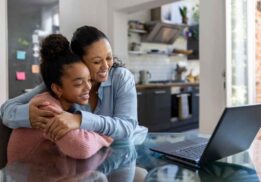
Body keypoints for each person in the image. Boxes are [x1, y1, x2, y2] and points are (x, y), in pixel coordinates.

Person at [0, 25, 147, 144]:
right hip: (92, 157)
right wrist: (28, 114)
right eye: (96, 61)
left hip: (130, 149)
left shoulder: (121, 77)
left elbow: (127, 127)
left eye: (108, 58)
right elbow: (6, 109)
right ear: (80, 61)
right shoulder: (64, 83)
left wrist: (79, 120)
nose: (106, 66)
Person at [7, 34, 113, 162]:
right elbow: (82, 147)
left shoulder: (68, 103)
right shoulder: (45, 107)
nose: (88, 87)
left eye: (89, 80)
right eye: (79, 83)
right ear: (57, 88)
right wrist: (104, 138)